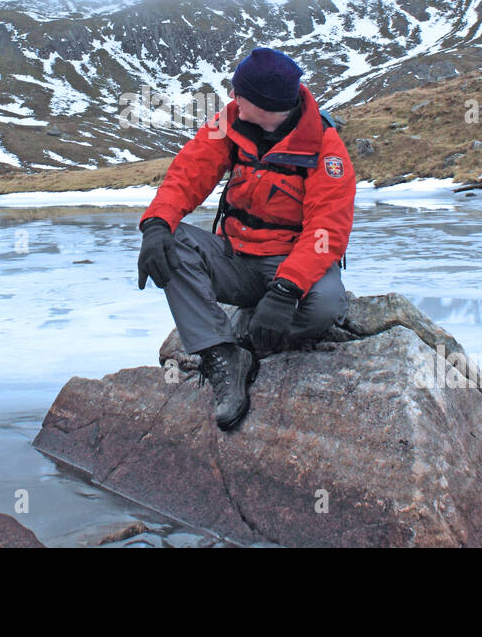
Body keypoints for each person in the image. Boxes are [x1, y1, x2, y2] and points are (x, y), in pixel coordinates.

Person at [136, 46, 355, 431]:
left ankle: (248, 330)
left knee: (325, 308)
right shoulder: (229, 122)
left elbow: (328, 229)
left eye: (240, 94)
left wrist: (287, 290)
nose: (232, 99)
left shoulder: (324, 145)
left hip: (290, 263)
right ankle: (223, 355)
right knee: (173, 243)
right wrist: (156, 223)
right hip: (235, 257)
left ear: (267, 105)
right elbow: (188, 173)